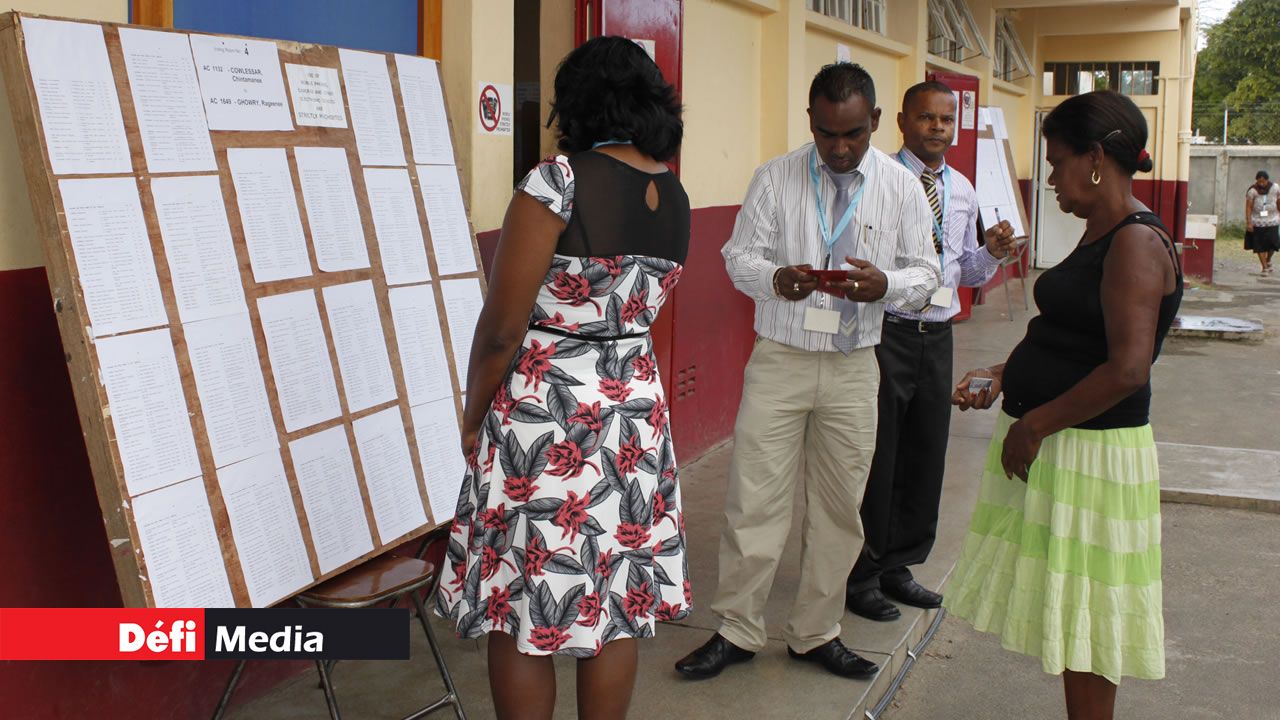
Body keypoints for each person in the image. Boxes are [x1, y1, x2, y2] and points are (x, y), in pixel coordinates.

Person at [434, 36, 691, 720]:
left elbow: (500, 330)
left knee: (529, 601)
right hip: (633, 411)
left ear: (576, 103)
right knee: (616, 594)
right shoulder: (674, 190)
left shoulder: (559, 181)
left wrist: (470, 413)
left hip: (550, 413)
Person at [674, 62, 941, 681]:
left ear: (875, 121)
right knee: (753, 502)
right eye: (826, 134)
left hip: (853, 368)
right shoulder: (775, 177)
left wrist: (885, 285)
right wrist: (775, 278)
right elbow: (737, 256)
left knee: (840, 509)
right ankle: (738, 629)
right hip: (781, 361)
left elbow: (927, 277)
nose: (840, 148)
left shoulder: (901, 190)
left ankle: (816, 632)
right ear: (811, 123)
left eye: (852, 133)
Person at [947, 90, 1180, 720]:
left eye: (1056, 163)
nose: (1049, 179)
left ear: (1096, 159)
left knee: (1091, 621)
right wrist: (1006, 372)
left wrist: (1036, 423)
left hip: (1091, 451)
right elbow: (1079, 338)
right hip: (1069, 441)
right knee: (1077, 615)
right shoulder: (1102, 232)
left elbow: (1128, 367)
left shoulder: (1133, 242)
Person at [844, 81, 1019, 622]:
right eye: (927, 118)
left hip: (937, 334)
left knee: (925, 452)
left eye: (947, 119)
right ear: (901, 121)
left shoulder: (963, 190)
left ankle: (900, 564)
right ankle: (861, 570)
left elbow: (963, 269)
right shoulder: (872, 180)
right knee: (881, 454)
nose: (938, 127)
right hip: (885, 331)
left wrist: (989, 255)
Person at [1245, 170, 1279, 275]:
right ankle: (1264, 268)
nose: (1261, 184)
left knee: (1273, 244)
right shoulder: (1252, 191)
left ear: (1267, 180)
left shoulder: (1275, 188)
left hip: (1273, 220)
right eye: (1259, 181)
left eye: (1263, 181)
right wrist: (1249, 222)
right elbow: (1249, 207)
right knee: (1259, 245)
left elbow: (1278, 201)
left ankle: (1268, 259)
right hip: (1257, 221)